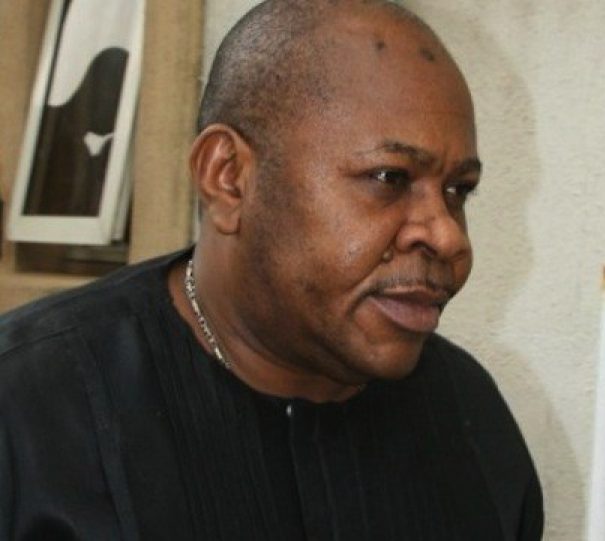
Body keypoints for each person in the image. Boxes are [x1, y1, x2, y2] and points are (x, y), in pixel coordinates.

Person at [0, 1, 544, 539]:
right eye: (389, 178)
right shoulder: (27, 410)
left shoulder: (469, 420)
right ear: (228, 177)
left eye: (458, 191)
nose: (448, 236)